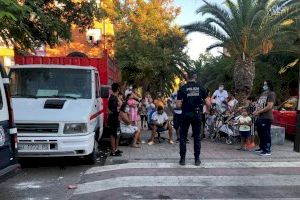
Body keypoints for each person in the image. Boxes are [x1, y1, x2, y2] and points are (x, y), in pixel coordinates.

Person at [176, 72, 210, 166]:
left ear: (187, 77)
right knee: (197, 137)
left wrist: (185, 105)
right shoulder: (201, 88)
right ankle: (197, 160)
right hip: (197, 114)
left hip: (185, 114)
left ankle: (182, 159)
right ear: (195, 77)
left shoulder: (182, 88)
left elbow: (178, 105)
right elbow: (208, 103)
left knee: (183, 137)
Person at [253, 80, 276, 156]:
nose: (264, 86)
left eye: (265, 84)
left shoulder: (271, 94)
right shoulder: (263, 93)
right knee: (260, 133)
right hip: (260, 117)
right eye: (264, 84)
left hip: (266, 117)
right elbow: (259, 104)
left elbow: (269, 106)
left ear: (269, 85)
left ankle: (267, 150)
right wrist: (256, 111)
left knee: (266, 134)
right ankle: (262, 148)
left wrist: (259, 112)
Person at [108, 83, 122, 156]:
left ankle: (116, 149)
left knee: (117, 134)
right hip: (113, 119)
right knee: (113, 135)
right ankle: (113, 152)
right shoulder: (113, 98)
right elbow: (113, 110)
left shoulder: (115, 97)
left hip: (116, 118)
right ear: (118, 89)